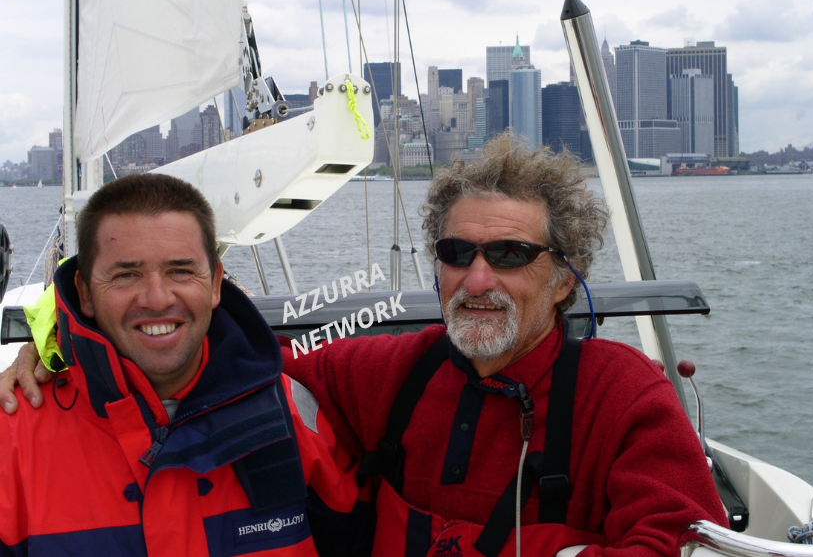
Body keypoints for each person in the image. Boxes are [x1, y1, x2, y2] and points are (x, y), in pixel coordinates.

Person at [2, 135, 727, 557]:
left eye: (510, 255)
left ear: (566, 277)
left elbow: (683, 540)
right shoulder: (391, 374)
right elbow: (233, 367)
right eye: (456, 252)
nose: (477, 279)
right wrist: (61, 341)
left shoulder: (622, 395)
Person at [0, 174, 372, 556]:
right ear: (85, 293)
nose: (157, 298)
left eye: (180, 271)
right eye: (126, 275)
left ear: (215, 283)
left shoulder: (294, 419)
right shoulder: (11, 442)